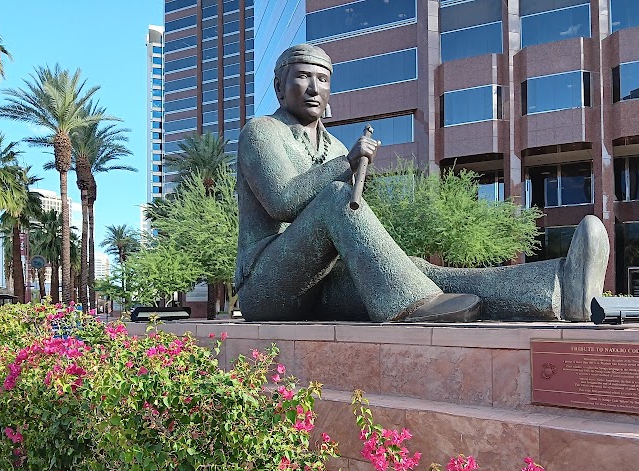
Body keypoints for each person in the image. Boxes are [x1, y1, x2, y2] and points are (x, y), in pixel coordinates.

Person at [235, 44, 608, 323]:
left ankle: (558, 288)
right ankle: (407, 305)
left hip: (321, 287)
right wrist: (345, 165)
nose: (314, 88)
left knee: (415, 272)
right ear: (280, 87)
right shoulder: (261, 132)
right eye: (303, 77)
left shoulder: (334, 145)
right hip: (267, 290)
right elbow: (281, 202)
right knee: (338, 198)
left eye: (322, 79)